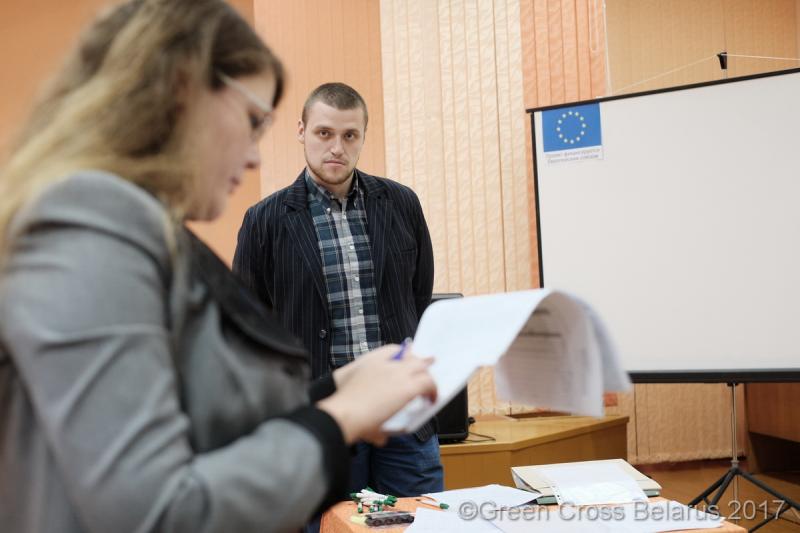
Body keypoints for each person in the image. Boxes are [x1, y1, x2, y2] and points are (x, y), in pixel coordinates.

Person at [0, 1, 436, 532]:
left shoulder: (137, 230)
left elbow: (199, 425)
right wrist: (340, 416)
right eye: (251, 122)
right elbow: (158, 511)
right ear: (181, 98)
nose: (255, 157)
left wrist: (338, 387)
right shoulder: (88, 238)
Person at [233, 82, 444, 502]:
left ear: (363, 136)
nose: (336, 148)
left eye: (350, 135)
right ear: (301, 131)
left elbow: (419, 298)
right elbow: (248, 327)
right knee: (332, 526)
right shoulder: (264, 221)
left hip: (404, 413)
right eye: (324, 133)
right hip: (326, 417)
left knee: (422, 522)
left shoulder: (402, 203)